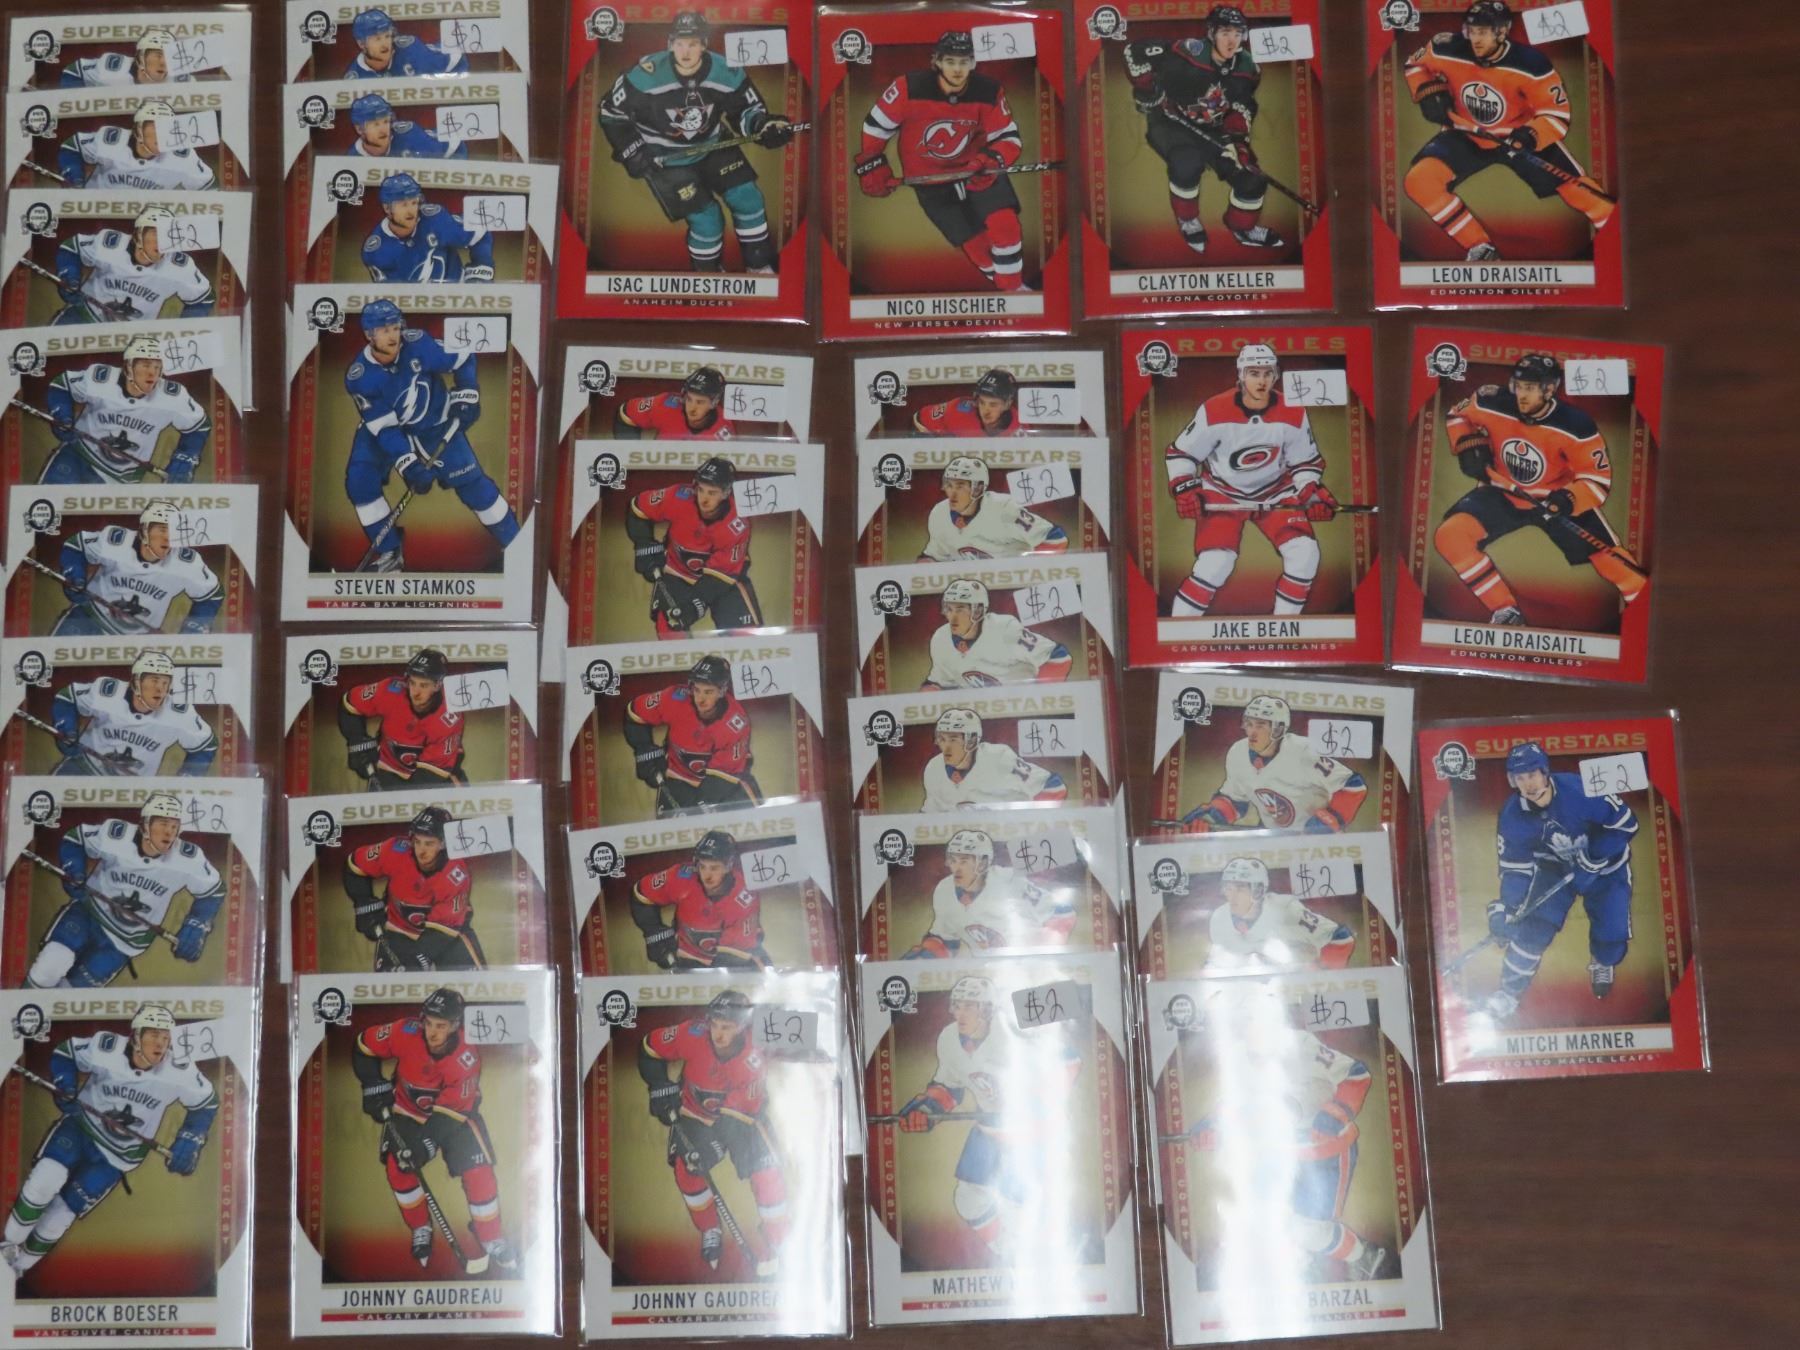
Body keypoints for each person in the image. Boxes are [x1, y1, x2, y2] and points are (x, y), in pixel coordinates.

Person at [1169, 996, 1397, 1282]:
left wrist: (1335, 1112)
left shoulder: (1302, 1045)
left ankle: (1365, 1256)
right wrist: (1211, 1125)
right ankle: (1291, 1263)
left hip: (1324, 1153)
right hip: (1274, 1153)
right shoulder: (1237, 1056)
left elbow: (1357, 1074)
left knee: (1309, 1229)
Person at [1, 1005, 216, 1275]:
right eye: (153, 1034)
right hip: (81, 1128)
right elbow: (67, 1052)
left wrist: (191, 1139)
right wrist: (65, 1084)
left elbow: (207, 1103)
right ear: (136, 1036)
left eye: (165, 1036)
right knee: (45, 1180)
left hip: (119, 1157)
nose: (161, 1043)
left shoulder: (179, 1070)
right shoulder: (107, 1047)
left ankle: (18, 1267)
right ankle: (7, 1246)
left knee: (61, 1214)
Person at [1434, 353, 1644, 626]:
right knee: (1450, 536)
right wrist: (1466, 443)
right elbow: (1457, 415)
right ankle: (1505, 611)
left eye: (1530, 388)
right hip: (1502, 491)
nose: (1521, 395)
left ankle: (1646, 610)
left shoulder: (1575, 425)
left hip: (1555, 499)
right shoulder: (1491, 401)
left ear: (1549, 389)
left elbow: (1596, 479)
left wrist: (1568, 500)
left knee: (1613, 562)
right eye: (1519, 386)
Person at [1402, 0, 1614, 261]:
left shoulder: (1531, 64)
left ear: (1502, 32)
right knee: (1420, 181)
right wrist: (1426, 91)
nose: (1475, 39)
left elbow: (1556, 114)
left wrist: (1530, 135)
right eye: (1472, 31)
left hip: (1518, 136)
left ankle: (1615, 233)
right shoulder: (1445, 47)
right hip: (1466, 133)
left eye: (1483, 32)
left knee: (1579, 191)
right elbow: (1414, 65)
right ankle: (1481, 248)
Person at [895, 976, 1082, 1262]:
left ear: (987, 1009)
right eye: (956, 1005)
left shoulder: (1016, 1028)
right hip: (990, 1128)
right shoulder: (949, 1039)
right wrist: (926, 1109)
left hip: (1032, 1131)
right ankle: (1007, 1253)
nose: (960, 1014)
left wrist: (1037, 1101)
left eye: (969, 1006)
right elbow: (948, 1086)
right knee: (968, 1198)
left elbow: (1068, 1060)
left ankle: (1033, 1256)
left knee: (1021, 1201)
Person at [599, 12, 794, 273]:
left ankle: (759, 268)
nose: (685, 51)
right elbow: (610, 112)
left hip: (713, 144)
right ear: (670, 44)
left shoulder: (726, 71)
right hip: (665, 157)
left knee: (748, 198)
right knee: (708, 221)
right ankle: (708, 278)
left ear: (704, 44)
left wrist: (763, 126)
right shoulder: (645, 75)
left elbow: (746, 111)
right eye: (679, 43)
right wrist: (633, 150)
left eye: (692, 44)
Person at [342, 299, 519, 572]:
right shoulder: (360, 378)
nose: (393, 335)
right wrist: (409, 465)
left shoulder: (418, 344)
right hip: (384, 430)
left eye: (395, 327)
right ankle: (390, 553)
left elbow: (463, 357)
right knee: (359, 480)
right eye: (385, 330)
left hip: (434, 423)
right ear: (369, 335)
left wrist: (467, 394)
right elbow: (385, 429)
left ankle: (517, 544)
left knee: (475, 487)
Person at [1164, 344, 1335, 620]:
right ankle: (1179, 630)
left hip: (1275, 491)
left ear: (1276, 375)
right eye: (1254, 373)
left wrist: (1311, 492)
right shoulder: (1214, 410)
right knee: (1215, 563)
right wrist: (1185, 487)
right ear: (1241, 375)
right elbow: (1181, 454)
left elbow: (1305, 462)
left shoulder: (1293, 411)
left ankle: (1283, 630)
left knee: (1305, 554)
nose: (1262, 380)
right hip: (1223, 491)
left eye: (1267, 373)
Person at [354, 987, 518, 1270]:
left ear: (455, 1026)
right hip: (409, 1110)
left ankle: (491, 1237)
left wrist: (426, 1144)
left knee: (479, 1173)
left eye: (440, 1026)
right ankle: (421, 1227)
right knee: (398, 1168)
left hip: (456, 1117)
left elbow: (449, 1114)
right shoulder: (405, 1032)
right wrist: (372, 1084)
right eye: (429, 1023)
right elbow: (363, 1046)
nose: (431, 1033)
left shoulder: (466, 1058)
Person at [857, 31, 1027, 291]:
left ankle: (1014, 290)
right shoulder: (908, 88)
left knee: (1005, 225)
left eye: (964, 62)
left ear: (973, 63)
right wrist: (872, 162)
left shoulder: (989, 91)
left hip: (979, 170)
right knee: (976, 246)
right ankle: (1009, 290)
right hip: (930, 182)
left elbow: (1008, 137)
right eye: (950, 61)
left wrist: (991, 161)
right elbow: (876, 127)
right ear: (936, 61)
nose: (957, 69)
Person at [1482, 741, 1637, 1018]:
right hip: (1556, 870)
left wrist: (1594, 856)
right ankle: (1508, 993)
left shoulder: (1581, 789)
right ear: (1512, 780)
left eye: (1532, 774)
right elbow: (1516, 869)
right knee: (1531, 931)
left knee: (1611, 939)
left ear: (1545, 772)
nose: (1528, 784)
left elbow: (1626, 824)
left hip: (1607, 869)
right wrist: (1509, 907)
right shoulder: (1512, 815)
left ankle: (1603, 961)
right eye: (1520, 777)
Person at [637, 989, 787, 1276]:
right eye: (715, 1025)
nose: (717, 1034)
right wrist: (659, 1086)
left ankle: (779, 1238)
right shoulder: (692, 1034)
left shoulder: (756, 1052)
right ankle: (709, 1229)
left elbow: (736, 1118)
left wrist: (714, 1146)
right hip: (697, 1115)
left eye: (726, 1027)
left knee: (767, 1175)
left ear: (742, 1027)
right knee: (687, 1171)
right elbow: (648, 1049)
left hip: (745, 1120)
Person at [1124, 5, 1285, 254]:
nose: (1231, 41)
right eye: (1225, 33)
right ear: (1211, 33)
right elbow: (1134, 51)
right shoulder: (1188, 52)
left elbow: (1242, 106)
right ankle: (1188, 219)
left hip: (1214, 128)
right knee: (1187, 162)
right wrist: (1147, 89)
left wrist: (1237, 143)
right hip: (1172, 121)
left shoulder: (1248, 68)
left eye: (1237, 33)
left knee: (1252, 178)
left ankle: (1242, 227)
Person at [25, 792, 221, 987]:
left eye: (174, 826)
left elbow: (214, 891)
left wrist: (197, 925)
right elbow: (76, 838)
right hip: (89, 913)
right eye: (163, 824)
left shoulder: (188, 858)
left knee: (73, 992)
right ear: (145, 825)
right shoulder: (116, 835)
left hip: (126, 942)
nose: (169, 833)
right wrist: (74, 870)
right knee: (48, 968)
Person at [1180, 695, 1365, 834]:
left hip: (1315, 843)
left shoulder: (1303, 751)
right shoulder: (1237, 752)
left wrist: (1329, 820)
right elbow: (1235, 801)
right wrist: (1211, 816)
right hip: (1271, 836)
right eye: (1249, 724)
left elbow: (1354, 785)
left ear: (1278, 729)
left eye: (1260, 725)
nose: (1252, 732)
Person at [41, 336, 210, 484]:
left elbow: (199, 426)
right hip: (78, 456)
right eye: (146, 365)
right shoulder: (100, 379)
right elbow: (62, 384)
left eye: (157, 367)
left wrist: (186, 457)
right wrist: (62, 415)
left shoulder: (173, 396)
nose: (153, 373)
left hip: (122, 479)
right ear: (129, 366)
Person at [626, 456, 763, 638]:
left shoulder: (737, 524)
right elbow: (638, 508)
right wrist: (644, 545)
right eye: (701, 490)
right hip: (677, 572)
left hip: (725, 581)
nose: (704, 499)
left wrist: (695, 603)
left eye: (712, 493)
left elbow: (722, 575)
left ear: (726, 493)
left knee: (745, 637)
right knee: (670, 631)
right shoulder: (677, 497)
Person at [344, 807, 485, 971]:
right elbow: (354, 865)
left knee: (471, 983)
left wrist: (418, 955)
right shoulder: (394, 850)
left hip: (450, 935)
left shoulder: (456, 874)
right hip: (398, 929)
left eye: (429, 843)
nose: (421, 851)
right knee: (391, 986)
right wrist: (363, 902)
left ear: (444, 843)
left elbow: (444, 930)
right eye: (417, 841)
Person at [51, 501, 222, 636]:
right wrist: (75, 575)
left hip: (137, 640)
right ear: (144, 531)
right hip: (90, 619)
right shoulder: (116, 541)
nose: (169, 538)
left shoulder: (187, 563)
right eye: (162, 530)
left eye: (174, 531)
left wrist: (195, 626)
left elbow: (212, 594)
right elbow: (76, 545)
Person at [623, 655, 759, 816]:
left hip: (730, 784)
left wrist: (697, 810)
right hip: (678, 777)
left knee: (752, 824)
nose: (700, 699)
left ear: (722, 691)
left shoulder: (735, 724)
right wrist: (644, 749)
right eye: (697, 690)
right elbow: (635, 714)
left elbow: (722, 779)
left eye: (708, 692)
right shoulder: (674, 699)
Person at [905, 828, 1074, 957]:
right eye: (953, 860)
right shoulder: (944, 890)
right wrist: (929, 953)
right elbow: (945, 939)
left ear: (983, 863)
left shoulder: (1009, 880)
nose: (956, 868)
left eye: (964, 861)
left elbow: (1062, 912)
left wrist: (1047, 944)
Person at [49, 650, 217, 776]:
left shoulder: (179, 713)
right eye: (154, 681)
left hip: (132, 790)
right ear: (136, 682)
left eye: (165, 683)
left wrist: (187, 779)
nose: (160, 689)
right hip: (85, 768)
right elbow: (67, 697)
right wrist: (66, 729)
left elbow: (207, 745)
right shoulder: (107, 692)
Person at [629, 830, 767, 970]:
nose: (707, 875)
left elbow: (732, 959)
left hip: (738, 958)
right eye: (702, 866)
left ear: (728, 866)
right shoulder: (680, 878)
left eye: (714, 868)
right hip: (688, 954)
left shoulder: (745, 897)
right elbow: (641, 894)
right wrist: (653, 932)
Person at [53, 206, 214, 324]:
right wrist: (69, 276)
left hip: (129, 338)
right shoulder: (110, 244)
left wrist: (184, 329)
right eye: (156, 234)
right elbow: (72, 247)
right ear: (138, 235)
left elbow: (204, 299)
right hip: (84, 316)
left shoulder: (180, 267)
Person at [337, 648, 468, 790]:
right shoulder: (389, 691)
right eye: (412, 682)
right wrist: (356, 740)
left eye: (423, 685)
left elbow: (428, 778)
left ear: (437, 685)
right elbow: (349, 705)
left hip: (438, 778)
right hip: (388, 769)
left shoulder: (449, 717)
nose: (415, 692)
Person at [1203, 856, 1354, 971]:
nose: (1232, 896)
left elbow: (1341, 937)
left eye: (1240, 888)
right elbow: (1218, 965)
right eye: (1228, 888)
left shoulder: (1286, 909)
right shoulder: (1219, 918)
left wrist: (1321, 974)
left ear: (1258, 890)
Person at [922, 579, 1071, 689]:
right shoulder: (940, 638)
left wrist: (1038, 698)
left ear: (978, 611)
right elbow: (937, 684)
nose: (953, 618)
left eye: (960, 610)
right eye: (949, 609)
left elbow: (1058, 656)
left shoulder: (1004, 629)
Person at [919, 456, 1067, 562]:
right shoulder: (939, 513)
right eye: (949, 485)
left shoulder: (1004, 508)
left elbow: (1055, 538)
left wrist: (1028, 573)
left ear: (978, 489)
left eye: (960, 486)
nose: (952, 493)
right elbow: (932, 557)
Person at [920, 707, 1065, 812]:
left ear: (971, 741)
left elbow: (1053, 785)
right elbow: (930, 816)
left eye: (953, 739)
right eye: (942, 739)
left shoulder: (999, 757)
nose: (946, 747)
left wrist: (1033, 822)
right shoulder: (933, 768)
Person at [361, 173, 495, 283]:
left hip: (458, 298)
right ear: (387, 208)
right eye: (403, 204)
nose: (410, 211)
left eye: (414, 202)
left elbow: (480, 226)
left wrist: (480, 272)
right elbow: (393, 297)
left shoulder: (435, 221)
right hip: (418, 306)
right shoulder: (377, 252)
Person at [58, 99, 217, 190]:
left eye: (169, 128)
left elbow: (210, 187)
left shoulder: (183, 156)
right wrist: (75, 177)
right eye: (156, 127)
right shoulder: (110, 140)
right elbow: (72, 147)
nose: (164, 134)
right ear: (138, 129)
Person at [343, 8, 467, 78]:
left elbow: (456, 57)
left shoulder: (410, 52)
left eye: (387, 36)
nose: (385, 44)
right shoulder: (355, 77)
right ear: (361, 44)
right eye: (377, 39)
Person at [613, 367, 734, 439]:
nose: (691, 408)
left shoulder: (724, 429)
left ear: (714, 402)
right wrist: (630, 454)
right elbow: (626, 414)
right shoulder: (664, 405)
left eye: (700, 402)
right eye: (689, 399)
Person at [912, 370, 1030, 436]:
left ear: (1007, 404)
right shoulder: (957, 412)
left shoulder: (1019, 426)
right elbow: (920, 420)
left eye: (993, 405)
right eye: (982, 402)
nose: (985, 411)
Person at [346, 93, 462, 160]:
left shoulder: (409, 136)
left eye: (386, 121)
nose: (383, 129)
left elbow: (454, 147)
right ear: (359, 129)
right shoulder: (353, 159)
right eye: (376, 124)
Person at [59, 26, 182, 87]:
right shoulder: (110, 74)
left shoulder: (178, 79)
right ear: (141, 56)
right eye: (158, 55)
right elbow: (73, 71)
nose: (164, 62)